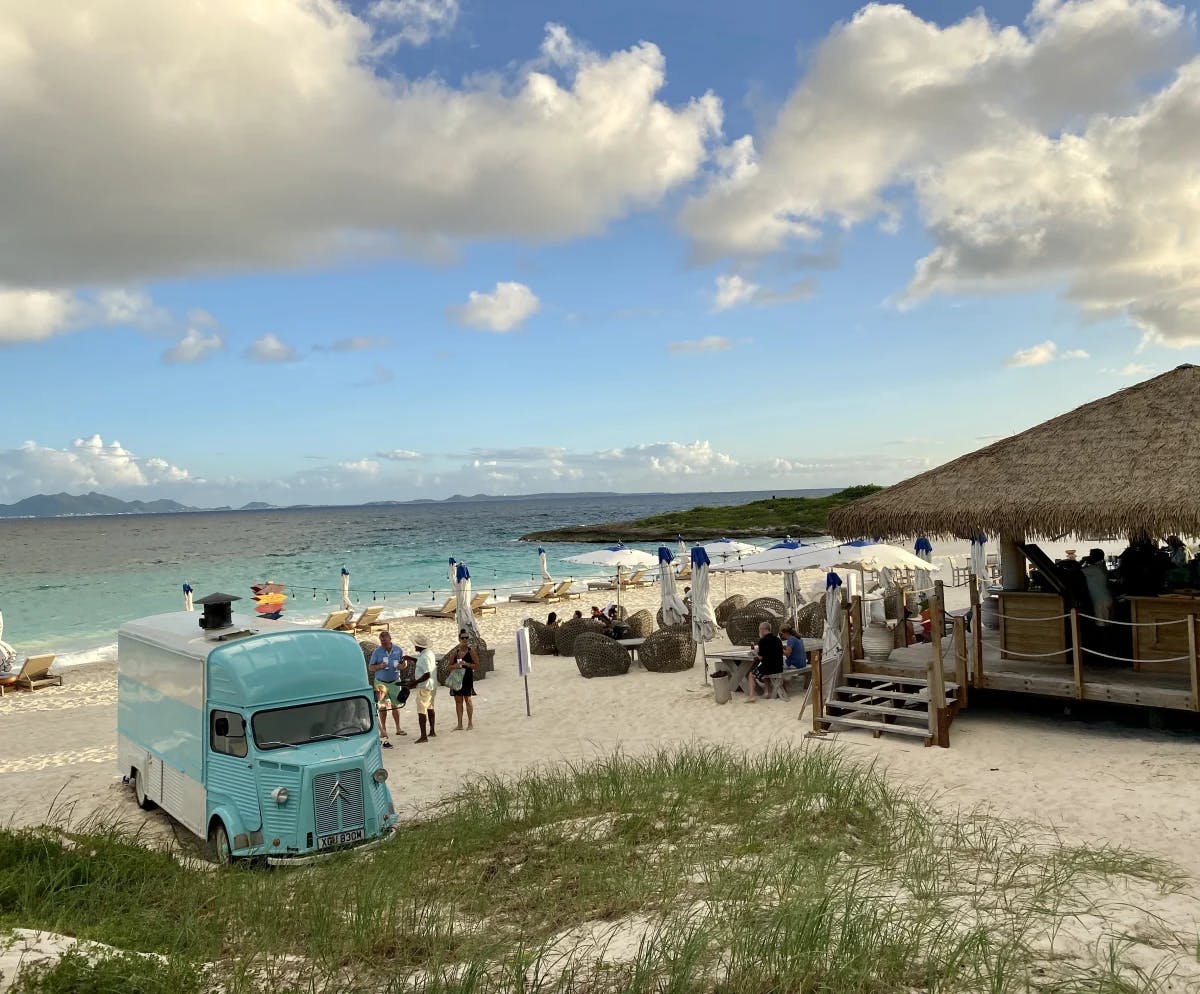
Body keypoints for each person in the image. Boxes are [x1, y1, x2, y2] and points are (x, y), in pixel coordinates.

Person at [368, 631, 406, 741]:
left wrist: (402, 666)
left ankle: (398, 728)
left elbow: (403, 664)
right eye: (381, 641)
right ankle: (383, 729)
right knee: (382, 706)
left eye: (384, 640)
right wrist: (380, 666)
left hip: (394, 681)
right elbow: (370, 667)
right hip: (381, 682)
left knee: (396, 705)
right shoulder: (377, 652)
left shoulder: (398, 650)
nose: (383, 642)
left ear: (390, 638)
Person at [407, 632, 438, 743]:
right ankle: (432, 731)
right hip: (432, 685)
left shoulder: (424, 657)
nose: (414, 646)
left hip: (424, 686)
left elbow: (427, 674)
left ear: (419, 646)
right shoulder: (429, 653)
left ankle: (423, 736)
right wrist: (410, 658)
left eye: (415, 644)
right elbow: (422, 663)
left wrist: (414, 683)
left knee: (421, 710)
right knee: (430, 707)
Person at [447, 630, 478, 730]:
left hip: (467, 678)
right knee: (458, 701)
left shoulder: (471, 651)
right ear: (459, 639)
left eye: (466, 638)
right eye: (462, 638)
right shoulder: (455, 652)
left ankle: (470, 723)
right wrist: (455, 666)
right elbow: (449, 667)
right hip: (457, 678)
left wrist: (467, 664)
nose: (465, 639)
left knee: (468, 700)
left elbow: (477, 666)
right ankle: (459, 724)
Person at [747, 621, 784, 702]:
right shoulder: (777, 639)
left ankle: (751, 695)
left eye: (759, 630)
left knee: (751, 674)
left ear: (763, 630)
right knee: (763, 672)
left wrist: (755, 654)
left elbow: (760, 657)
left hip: (769, 667)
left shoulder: (763, 641)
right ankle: (766, 692)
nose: (759, 632)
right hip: (779, 666)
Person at [1081, 548, 1113, 623]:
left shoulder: (1092, 569)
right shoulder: (1102, 566)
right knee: (1107, 624)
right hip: (1107, 598)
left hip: (1100, 601)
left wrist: (1082, 561)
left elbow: (1076, 572)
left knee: (1101, 625)